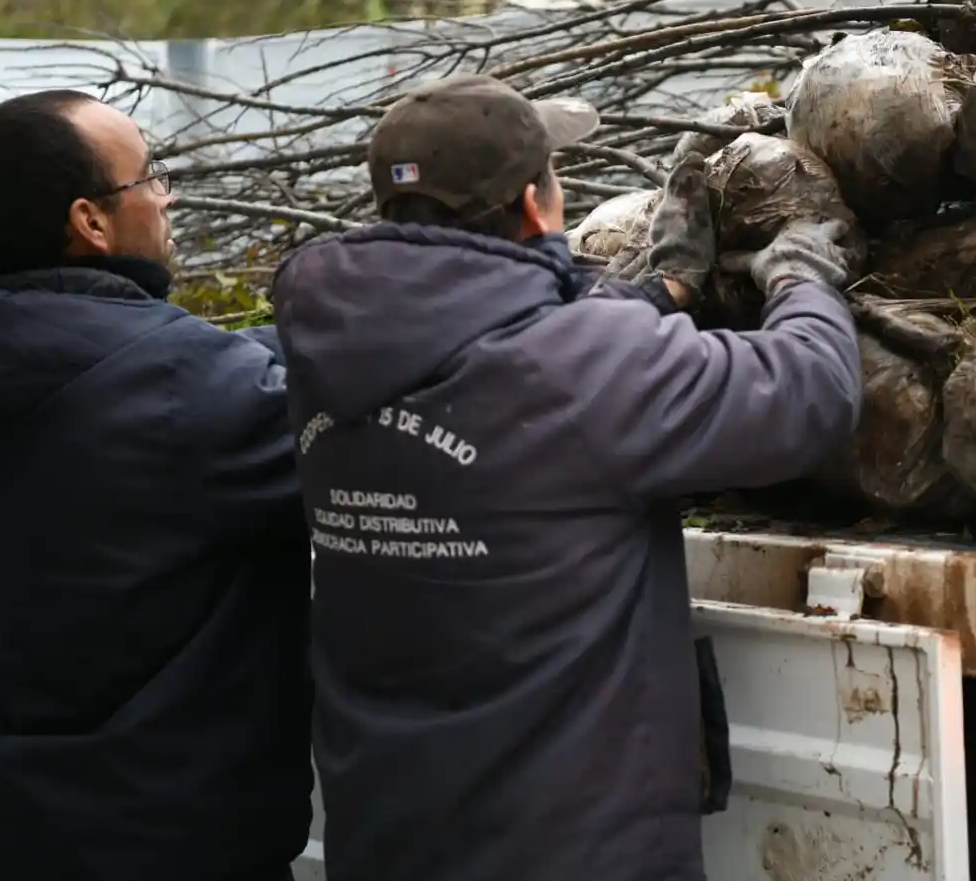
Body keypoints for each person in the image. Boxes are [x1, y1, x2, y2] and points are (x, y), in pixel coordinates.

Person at [270, 73, 863, 881]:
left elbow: (504, 345)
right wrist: (802, 277)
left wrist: (662, 291)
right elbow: (807, 394)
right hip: (571, 845)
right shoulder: (579, 367)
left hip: (391, 828)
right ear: (533, 206)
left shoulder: (319, 349)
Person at [0, 90, 313, 881]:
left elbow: (203, 371)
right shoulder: (179, 386)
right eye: (150, 176)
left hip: (25, 816)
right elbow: (360, 408)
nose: (167, 195)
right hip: (175, 832)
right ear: (91, 221)